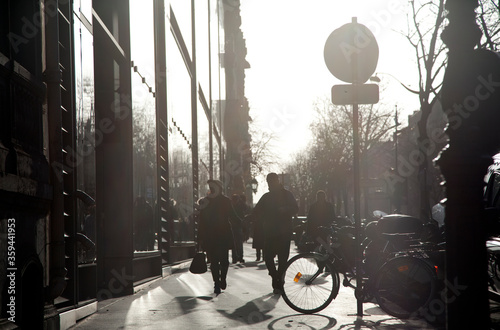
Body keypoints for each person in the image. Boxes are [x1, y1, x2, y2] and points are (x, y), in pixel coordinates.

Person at [252, 173, 299, 294]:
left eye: (272, 180)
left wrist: (286, 209)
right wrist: (247, 218)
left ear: (277, 181)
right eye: (269, 181)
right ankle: (275, 277)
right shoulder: (266, 197)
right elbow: (256, 211)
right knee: (268, 258)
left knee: (283, 259)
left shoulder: (287, 194)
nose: (271, 183)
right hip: (271, 232)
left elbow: (295, 208)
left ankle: (279, 278)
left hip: (284, 232)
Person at [198, 179, 241, 294]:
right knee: (222, 260)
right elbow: (233, 216)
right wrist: (243, 223)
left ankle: (218, 282)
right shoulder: (224, 201)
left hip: (213, 234)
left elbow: (201, 221)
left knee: (216, 261)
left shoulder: (207, 201)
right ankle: (220, 280)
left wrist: (200, 237)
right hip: (222, 234)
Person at [230, 194, 248, 263]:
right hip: (235, 225)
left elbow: (246, 208)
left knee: (238, 243)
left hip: (238, 225)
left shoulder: (239, 206)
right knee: (236, 243)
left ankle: (239, 257)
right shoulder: (232, 206)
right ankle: (236, 257)